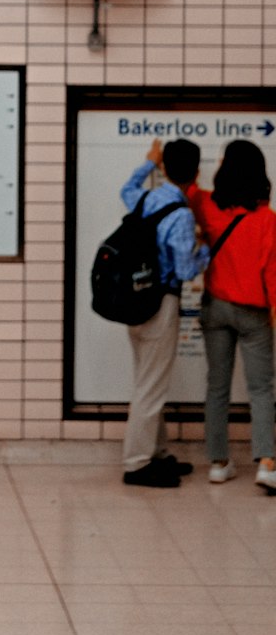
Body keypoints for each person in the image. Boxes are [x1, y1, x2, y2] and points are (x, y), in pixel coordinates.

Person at [119, 137, 208, 488]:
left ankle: (157, 454)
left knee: (147, 380)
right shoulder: (182, 214)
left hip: (135, 300)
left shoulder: (146, 199)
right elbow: (186, 269)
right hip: (162, 303)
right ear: (197, 173)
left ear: (165, 168)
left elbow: (127, 187)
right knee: (151, 386)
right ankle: (137, 463)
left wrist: (148, 163)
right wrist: (207, 252)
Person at [188, 139, 276, 489]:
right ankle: (267, 463)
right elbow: (272, 272)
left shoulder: (207, 205)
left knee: (217, 386)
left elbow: (189, 188)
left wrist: (158, 161)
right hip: (253, 311)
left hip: (216, 308)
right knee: (261, 388)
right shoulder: (267, 220)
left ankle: (219, 462)